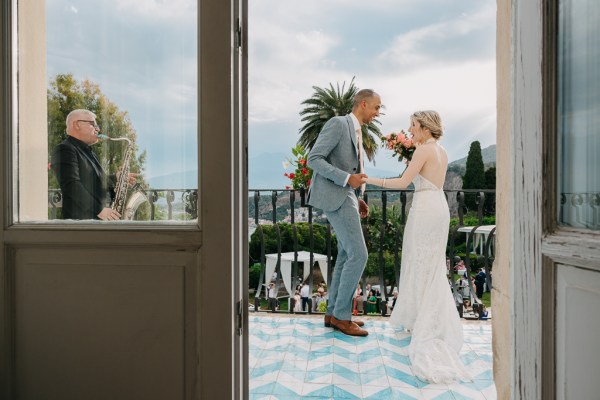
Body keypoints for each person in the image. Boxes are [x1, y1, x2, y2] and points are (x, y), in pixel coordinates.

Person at [365, 110, 470, 382]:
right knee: (431, 265)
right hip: (438, 207)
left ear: (424, 127)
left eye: (413, 126)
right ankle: (425, 317)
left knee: (418, 262)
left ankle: (422, 321)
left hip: (425, 209)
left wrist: (369, 180)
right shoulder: (442, 151)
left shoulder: (423, 150)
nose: (410, 130)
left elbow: (402, 182)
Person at [306, 89, 379, 337]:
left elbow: (349, 166)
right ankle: (342, 317)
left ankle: (333, 314)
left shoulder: (357, 130)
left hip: (346, 195)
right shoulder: (338, 124)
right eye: (376, 108)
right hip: (335, 194)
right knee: (359, 254)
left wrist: (357, 198)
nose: (378, 113)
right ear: (363, 104)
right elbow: (313, 159)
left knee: (347, 254)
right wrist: (347, 179)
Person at [51, 109, 136, 220]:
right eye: (93, 124)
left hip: (96, 220)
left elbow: (94, 180)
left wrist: (116, 178)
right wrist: (99, 209)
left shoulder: (88, 151)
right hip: (83, 223)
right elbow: (71, 185)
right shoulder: (64, 149)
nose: (98, 129)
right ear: (77, 124)